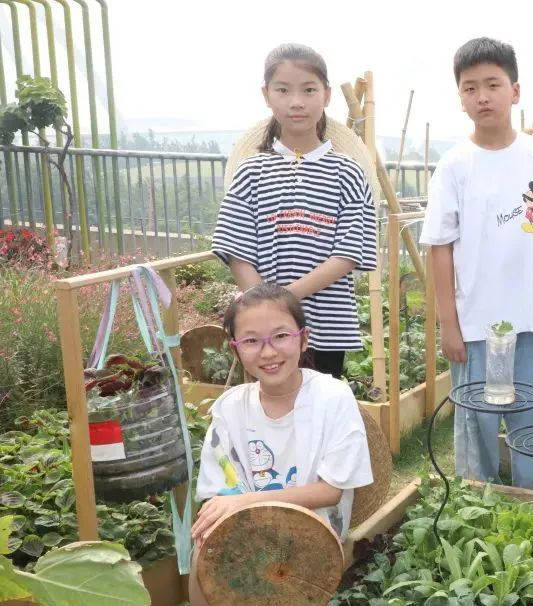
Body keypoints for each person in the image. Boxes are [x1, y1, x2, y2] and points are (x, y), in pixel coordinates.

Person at [419, 37, 533, 490]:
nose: (482, 96)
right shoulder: (454, 165)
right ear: (461, 99)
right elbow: (440, 249)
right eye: (470, 88)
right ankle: (478, 505)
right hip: (474, 327)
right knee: (478, 428)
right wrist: (448, 324)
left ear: (515, 90)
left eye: (493, 84)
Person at [186, 283, 373, 606]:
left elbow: (330, 492)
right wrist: (230, 510)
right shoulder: (230, 408)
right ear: (235, 349)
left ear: (304, 338)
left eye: (281, 336)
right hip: (250, 527)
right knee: (205, 546)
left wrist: (246, 502)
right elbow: (223, 491)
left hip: (314, 525)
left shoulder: (332, 397)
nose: (268, 352)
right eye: (252, 341)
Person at [211, 43, 376, 378]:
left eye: (309, 89)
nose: (296, 101)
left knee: (321, 414)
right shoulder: (251, 172)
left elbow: (348, 254)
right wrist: (267, 312)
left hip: (327, 329)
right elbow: (236, 249)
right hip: (265, 335)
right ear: (266, 95)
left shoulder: (348, 173)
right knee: (269, 413)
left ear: (326, 95)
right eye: (283, 90)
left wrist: (281, 300)